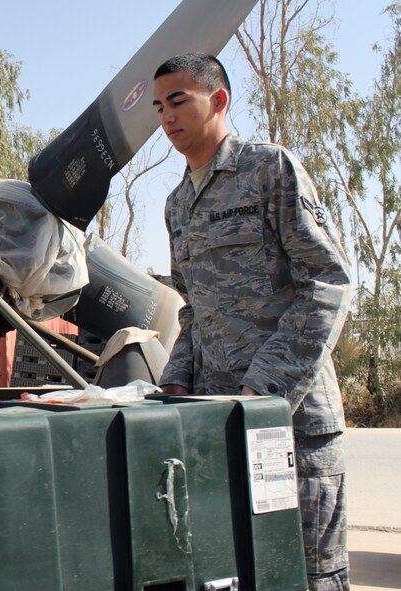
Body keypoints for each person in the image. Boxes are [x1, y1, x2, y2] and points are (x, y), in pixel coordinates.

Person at [152, 53, 351, 591]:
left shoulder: (270, 168)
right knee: (235, 573)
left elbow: (327, 281)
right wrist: (175, 380)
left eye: (178, 101)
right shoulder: (176, 205)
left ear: (218, 100)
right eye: (158, 107)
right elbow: (192, 306)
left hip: (291, 426)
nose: (167, 117)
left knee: (307, 575)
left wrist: (262, 390)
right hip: (218, 426)